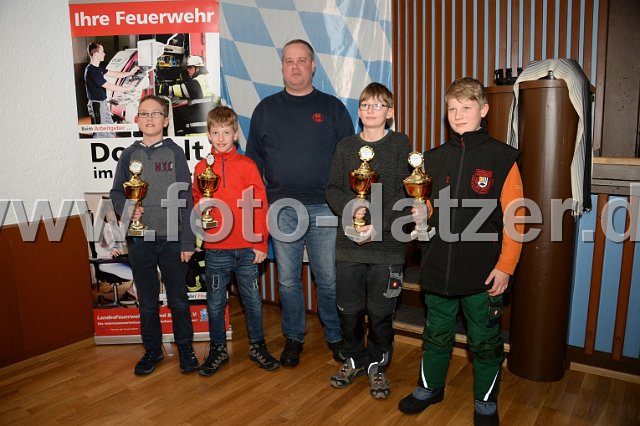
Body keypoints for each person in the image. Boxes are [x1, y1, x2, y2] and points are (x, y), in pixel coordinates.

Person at [397, 77, 524, 426]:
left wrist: (506, 266)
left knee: (484, 342)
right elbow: (429, 211)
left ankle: (485, 403)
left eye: (466, 107)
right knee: (435, 334)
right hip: (438, 268)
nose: (458, 115)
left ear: (483, 110)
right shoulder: (432, 159)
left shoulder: (502, 158)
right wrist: (420, 214)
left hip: (484, 274)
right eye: (452, 108)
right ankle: (429, 388)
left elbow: (516, 219)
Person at [246, 39, 355, 367]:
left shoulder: (333, 108)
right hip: (282, 210)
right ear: (282, 67)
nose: (295, 66)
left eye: (301, 60)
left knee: (328, 279)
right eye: (289, 61)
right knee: (288, 280)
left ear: (313, 65)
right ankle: (293, 337)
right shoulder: (265, 110)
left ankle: (335, 336)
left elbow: (350, 159)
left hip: (325, 208)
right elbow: (253, 164)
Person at [326, 83, 411, 399]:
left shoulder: (400, 144)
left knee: (380, 313)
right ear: (358, 110)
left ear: (390, 112)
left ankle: (377, 366)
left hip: (387, 245)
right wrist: (352, 208)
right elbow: (333, 189)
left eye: (378, 105)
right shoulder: (345, 146)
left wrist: (379, 226)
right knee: (348, 310)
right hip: (349, 244)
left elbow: (405, 192)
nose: (370, 110)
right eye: (365, 104)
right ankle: (352, 359)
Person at [110, 94, 198, 376]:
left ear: (166, 120)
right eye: (144, 113)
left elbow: (186, 198)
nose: (149, 118)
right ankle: (152, 350)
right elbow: (116, 192)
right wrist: (128, 209)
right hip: (140, 241)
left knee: (178, 300)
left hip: (173, 240)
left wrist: (187, 240)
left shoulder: (175, 153)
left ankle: (185, 348)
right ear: (137, 119)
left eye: (155, 113)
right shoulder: (128, 154)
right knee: (147, 301)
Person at [192, 106, 280, 376]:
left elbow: (260, 205)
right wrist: (200, 208)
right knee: (215, 302)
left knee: (252, 301)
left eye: (226, 132)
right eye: (216, 132)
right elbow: (196, 199)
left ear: (235, 134)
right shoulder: (201, 167)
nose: (221, 138)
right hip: (216, 248)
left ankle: (257, 346)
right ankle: (218, 348)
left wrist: (260, 243)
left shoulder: (247, 166)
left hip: (246, 248)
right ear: (209, 135)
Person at [84, 42, 139, 138]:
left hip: (103, 103)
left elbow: (115, 74)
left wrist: (130, 72)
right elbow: (108, 86)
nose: (104, 54)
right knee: (100, 131)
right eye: (102, 52)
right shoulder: (91, 71)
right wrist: (128, 88)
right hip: (97, 104)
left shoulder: (98, 68)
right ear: (95, 54)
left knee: (110, 128)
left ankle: (111, 142)